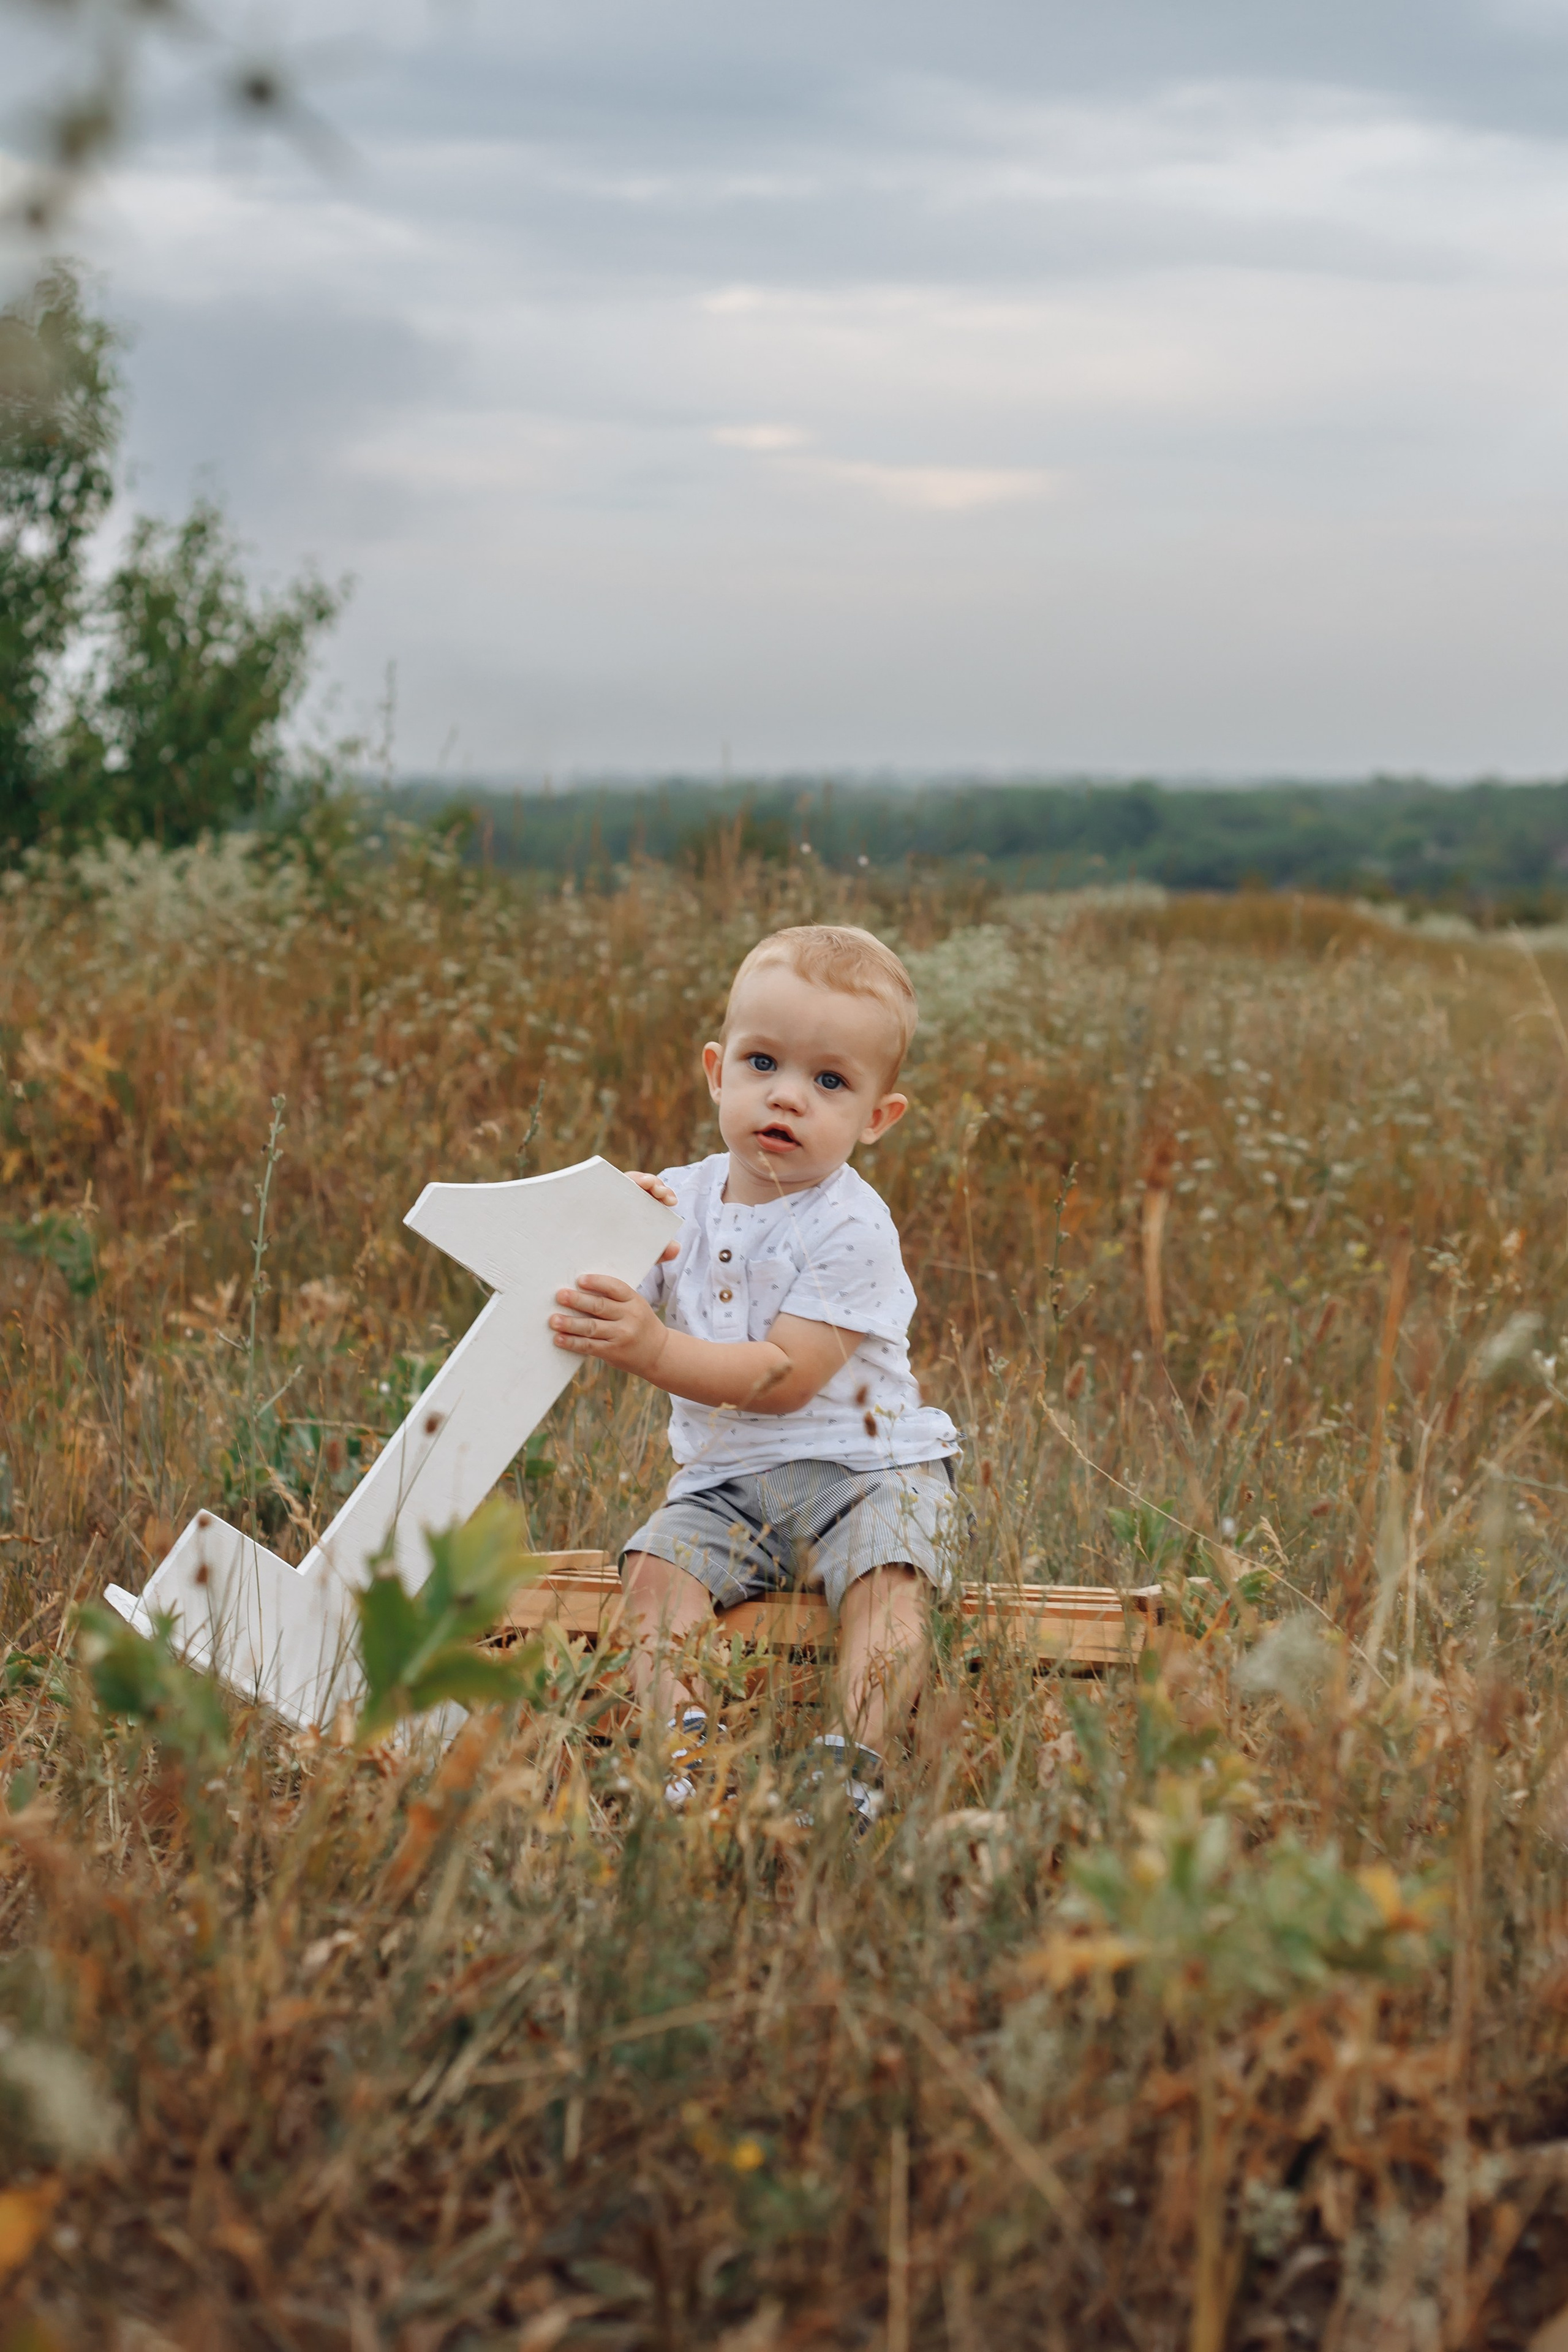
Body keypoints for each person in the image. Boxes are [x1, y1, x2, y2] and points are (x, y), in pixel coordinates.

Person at [547, 922, 960, 1823]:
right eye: (763, 1062)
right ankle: (680, 1748)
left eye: (829, 1081)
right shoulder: (679, 1199)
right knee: (656, 1573)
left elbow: (784, 1376)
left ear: (877, 1118)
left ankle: (853, 1755)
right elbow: (607, 1278)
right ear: (716, 1071)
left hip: (866, 1469)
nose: (787, 1098)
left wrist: (651, 1348)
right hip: (727, 1482)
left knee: (890, 1583)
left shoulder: (853, 1227)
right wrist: (607, 1227)